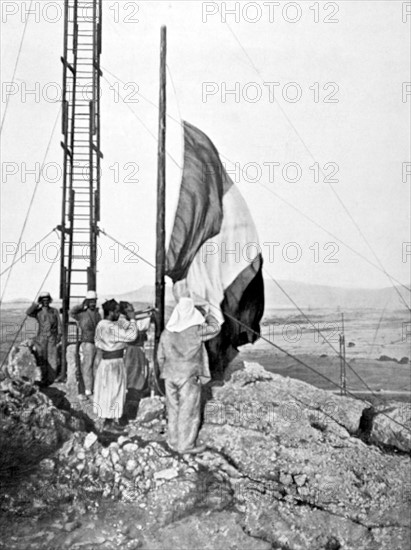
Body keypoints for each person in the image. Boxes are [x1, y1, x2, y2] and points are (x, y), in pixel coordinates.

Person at [157, 296, 220, 454]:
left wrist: (165, 370)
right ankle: (185, 446)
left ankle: (173, 441)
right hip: (188, 375)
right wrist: (207, 315)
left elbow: (160, 357)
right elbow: (215, 328)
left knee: (172, 408)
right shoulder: (196, 330)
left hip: (169, 374)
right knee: (189, 410)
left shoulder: (167, 332)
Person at [93, 299, 150, 432]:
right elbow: (131, 336)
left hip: (109, 362)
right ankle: (108, 423)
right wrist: (133, 320)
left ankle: (110, 421)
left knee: (111, 391)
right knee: (113, 391)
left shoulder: (103, 325)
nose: (119, 314)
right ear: (111, 312)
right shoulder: (109, 327)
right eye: (117, 312)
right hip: (113, 364)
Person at [70, 290, 101, 399]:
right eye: (91, 301)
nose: (93, 303)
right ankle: (88, 389)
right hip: (87, 342)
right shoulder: (81, 314)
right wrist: (81, 305)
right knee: (87, 366)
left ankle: (95, 388)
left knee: (96, 366)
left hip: (97, 342)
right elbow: (72, 312)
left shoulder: (98, 315)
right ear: (87, 301)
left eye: (94, 301)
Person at [26, 291, 62, 383]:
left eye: (47, 300)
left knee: (52, 358)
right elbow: (28, 312)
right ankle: (43, 378)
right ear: (41, 301)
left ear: (49, 300)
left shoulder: (54, 311)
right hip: (41, 337)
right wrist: (36, 304)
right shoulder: (38, 312)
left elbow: (59, 324)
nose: (45, 302)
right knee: (42, 358)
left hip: (52, 337)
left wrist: (59, 335)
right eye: (43, 300)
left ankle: (51, 378)